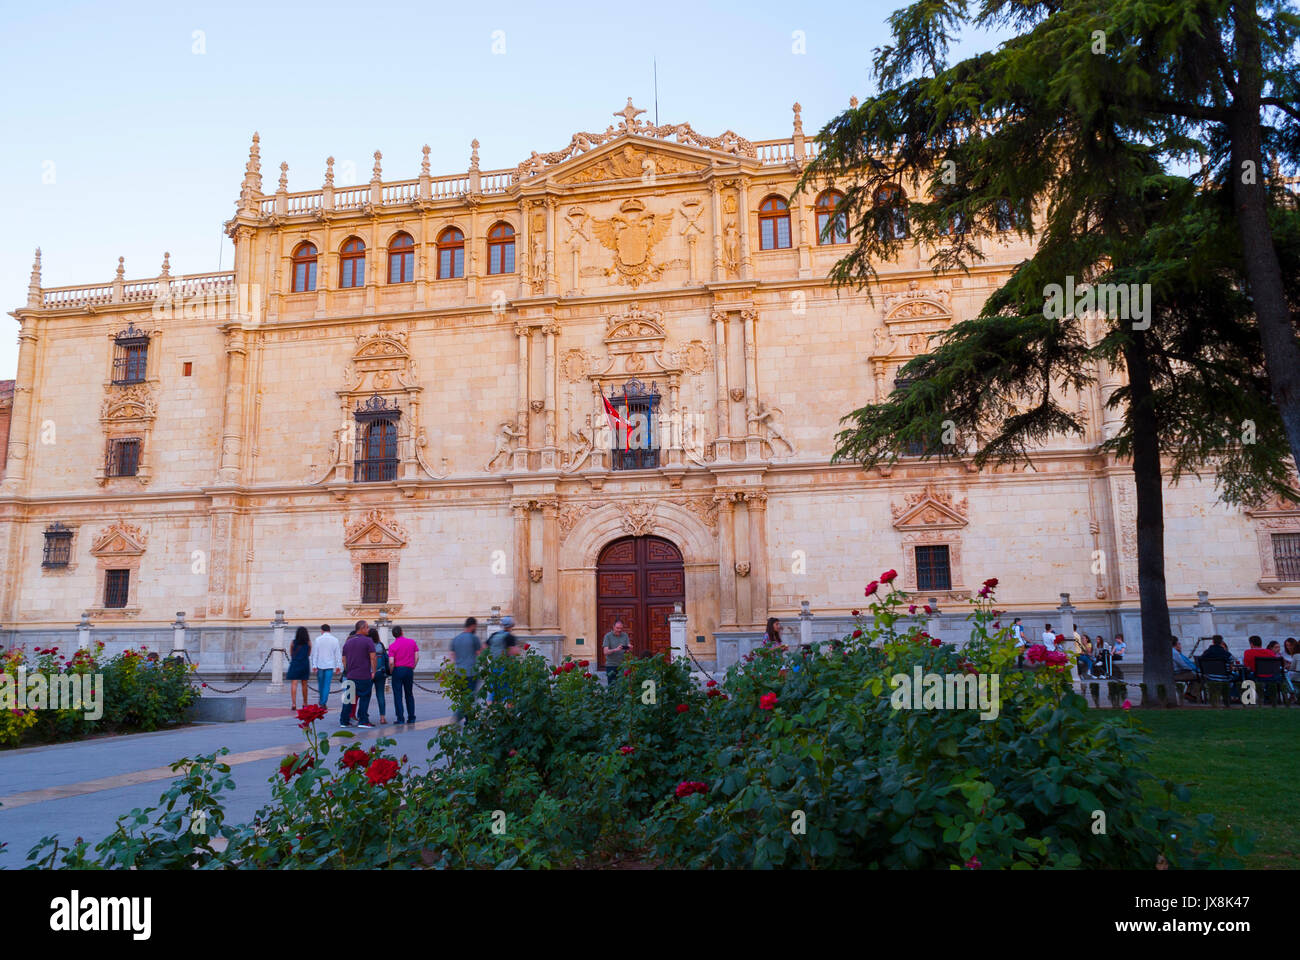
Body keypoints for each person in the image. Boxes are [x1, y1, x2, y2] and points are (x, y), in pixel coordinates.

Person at [339, 620, 376, 728]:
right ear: (362, 628)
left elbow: (343, 659)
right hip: (363, 675)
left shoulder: (348, 642)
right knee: (364, 697)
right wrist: (373, 671)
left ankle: (344, 721)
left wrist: (348, 669)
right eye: (367, 627)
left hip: (351, 675)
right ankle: (363, 720)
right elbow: (373, 657)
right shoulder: (368, 641)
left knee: (348, 699)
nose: (368, 630)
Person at [449, 617, 481, 722]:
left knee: (464, 697)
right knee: (470, 698)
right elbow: (479, 654)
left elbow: (452, 656)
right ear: (472, 626)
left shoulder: (456, 639)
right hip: (471, 672)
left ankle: (469, 720)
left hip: (459, 673)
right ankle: (458, 716)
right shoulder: (474, 638)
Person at [387, 625, 419, 725]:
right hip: (409, 670)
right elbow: (417, 656)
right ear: (402, 632)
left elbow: (391, 662)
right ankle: (411, 717)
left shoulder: (392, 646)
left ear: (393, 635)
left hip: (397, 670)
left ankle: (400, 718)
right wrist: (413, 666)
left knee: (398, 695)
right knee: (409, 694)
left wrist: (391, 671)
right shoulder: (412, 642)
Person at [484, 616, 520, 705]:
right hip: (505, 667)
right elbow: (514, 652)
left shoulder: (494, 635)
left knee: (493, 692)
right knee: (508, 692)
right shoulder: (510, 637)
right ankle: (510, 715)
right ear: (512, 625)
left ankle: (491, 713)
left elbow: (484, 647)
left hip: (494, 666)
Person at [310, 624, 342, 706]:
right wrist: (338, 666)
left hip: (320, 665)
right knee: (327, 685)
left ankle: (321, 700)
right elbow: (338, 654)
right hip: (330, 665)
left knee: (320, 684)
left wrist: (314, 665)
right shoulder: (335, 640)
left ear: (322, 630)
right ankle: (323, 702)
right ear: (329, 630)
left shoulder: (318, 639)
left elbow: (315, 653)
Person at [286, 625, 311, 710]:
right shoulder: (308, 642)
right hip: (304, 663)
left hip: (295, 663)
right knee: (304, 684)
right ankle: (305, 703)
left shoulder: (293, 642)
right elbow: (309, 653)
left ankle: (293, 704)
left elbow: (291, 653)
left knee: (294, 684)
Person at [369, 627, 390, 724]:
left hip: (368, 673)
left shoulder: (366, 645)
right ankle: (382, 717)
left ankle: (364, 716)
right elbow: (386, 659)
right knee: (380, 695)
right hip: (380, 673)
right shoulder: (380, 645)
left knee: (366, 696)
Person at [603, 618, 632, 683]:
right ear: (613, 627)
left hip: (623, 665)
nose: (619, 630)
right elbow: (605, 652)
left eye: (621, 628)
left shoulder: (625, 635)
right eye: (617, 628)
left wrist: (629, 648)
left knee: (622, 686)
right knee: (611, 687)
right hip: (611, 665)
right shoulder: (607, 636)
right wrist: (616, 649)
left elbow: (627, 651)